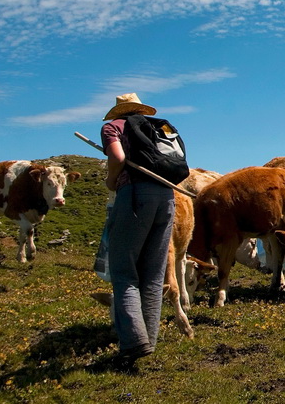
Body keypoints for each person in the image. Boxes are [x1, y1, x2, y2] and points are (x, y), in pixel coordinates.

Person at [101, 92, 176, 365]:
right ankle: (149, 339)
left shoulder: (114, 127)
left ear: (118, 111)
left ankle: (133, 342)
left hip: (134, 196)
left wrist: (111, 180)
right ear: (140, 109)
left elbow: (118, 157)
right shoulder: (159, 128)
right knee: (154, 274)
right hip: (167, 197)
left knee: (123, 271)